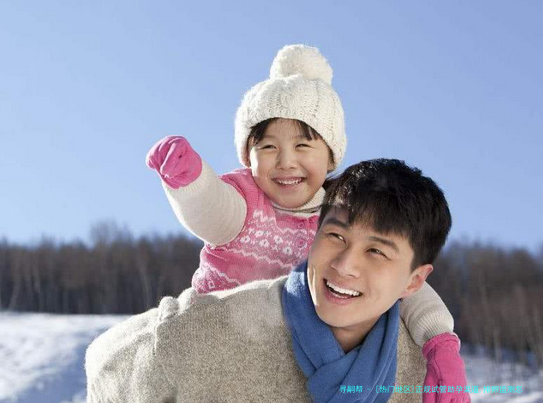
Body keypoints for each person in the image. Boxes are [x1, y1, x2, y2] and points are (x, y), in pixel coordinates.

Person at [145, 44, 462, 387]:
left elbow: (399, 278)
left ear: (330, 157)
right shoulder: (245, 199)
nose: (286, 162)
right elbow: (213, 211)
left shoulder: (341, 214)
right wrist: (190, 179)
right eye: (268, 147)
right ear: (248, 156)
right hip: (219, 334)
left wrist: (439, 340)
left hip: (285, 357)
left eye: (302, 146)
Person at [87, 159, 470, 402]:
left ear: (414, 281)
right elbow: (107, 366)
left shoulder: (421, 376)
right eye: (336, 236)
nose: (345, 265)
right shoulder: (214, 331)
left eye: (376, 251)